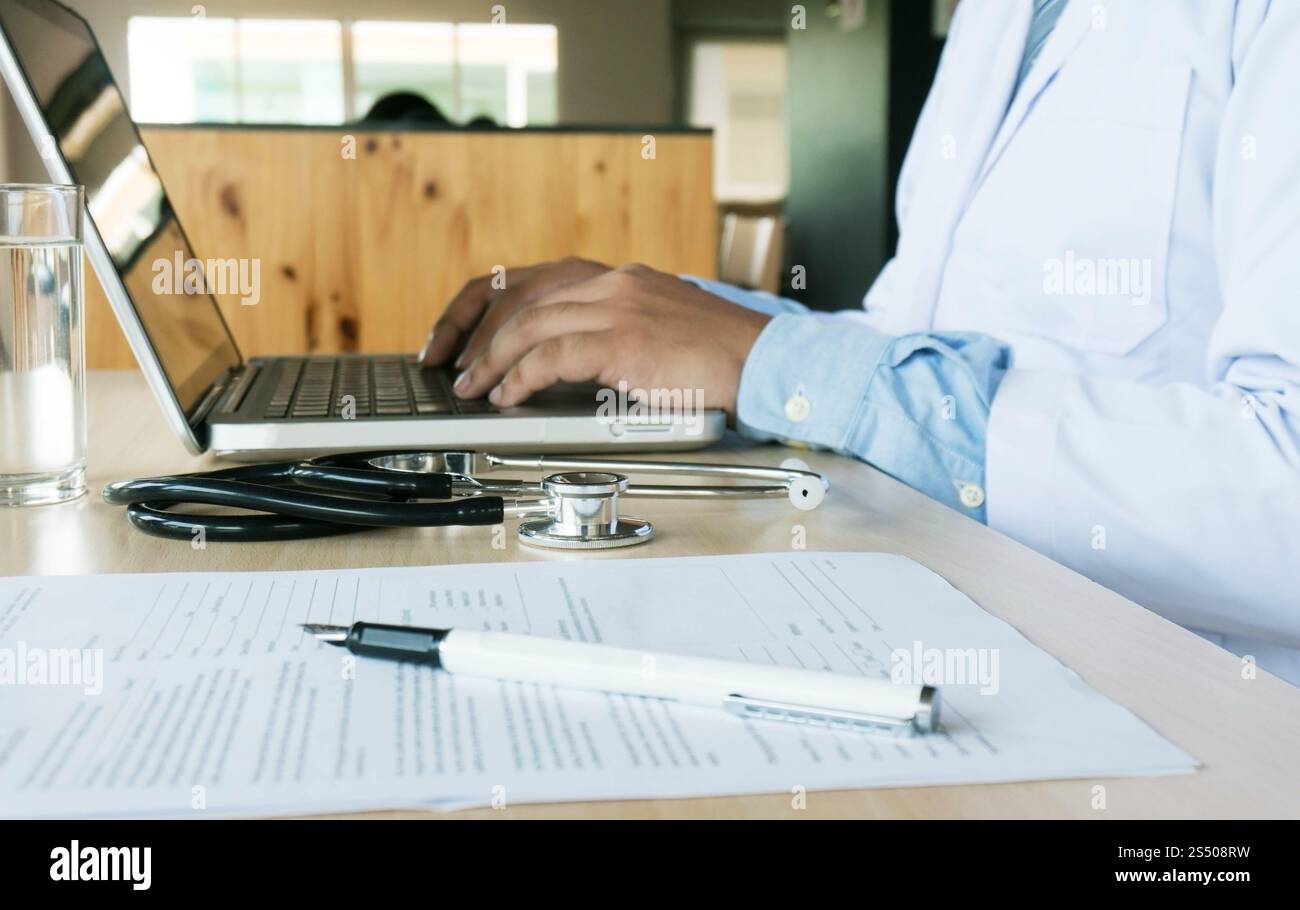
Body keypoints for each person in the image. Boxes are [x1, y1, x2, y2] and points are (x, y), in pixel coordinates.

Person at [419, 1, 1300, 684]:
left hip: (1198, 729)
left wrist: (770, 356)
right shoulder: (997, 18)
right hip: (949, 622)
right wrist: (654, 315)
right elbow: (910, 345)